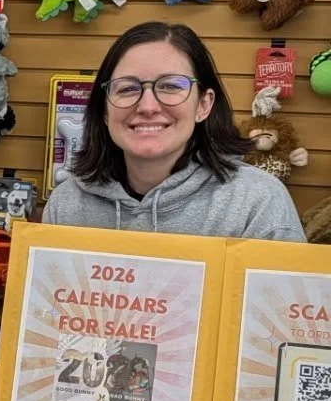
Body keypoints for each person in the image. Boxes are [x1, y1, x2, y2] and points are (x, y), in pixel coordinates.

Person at [43, 21, 306, 241]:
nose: (147, 106)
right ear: (103, 111)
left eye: (170, 86)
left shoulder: (258, 203)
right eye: (127, 88)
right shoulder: (67, 205)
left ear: (204, 105)